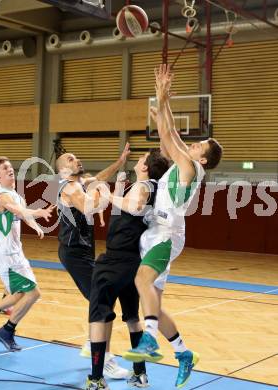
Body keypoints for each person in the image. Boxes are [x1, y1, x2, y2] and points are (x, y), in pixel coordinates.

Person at [123, 65, 223, 388]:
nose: (193, 146)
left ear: (203, 159)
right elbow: (167, 139)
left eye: (199, 146)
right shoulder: (182, 164)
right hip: (158, 232)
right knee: (152, 302)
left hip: (166, 234)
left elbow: (170, 137)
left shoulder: (192, 167)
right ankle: (183, 354)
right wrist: (162, 106)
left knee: (141, 280)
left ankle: (149, 340)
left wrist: (163, 97)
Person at [86, 150, 170, 390]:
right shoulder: (156, 188)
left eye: (143, 158)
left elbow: (135, 206)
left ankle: (95, 379)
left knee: (98, 318)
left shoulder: (143, 185)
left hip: (115, 261)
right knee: (133, 318)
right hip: (135, 263)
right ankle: (140, 375)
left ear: (146, 167)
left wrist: (109, 194)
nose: (139, 160)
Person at [56, 145, 130, 380]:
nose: (76, 159)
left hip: (85, 251)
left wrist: (119, 163)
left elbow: (98, 178)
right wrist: (105, 193)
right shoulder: (69, 187)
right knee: (103, 300)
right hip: (74, 252)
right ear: (62, 171)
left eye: (76, 156)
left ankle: (92, 341)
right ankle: (105, 358)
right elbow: (89, 205)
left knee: (100, 298)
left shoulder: (80, 183)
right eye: (70, 159)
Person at [0, 156, 54, 351]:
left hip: (16, 253)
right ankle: (7, 330)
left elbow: (22, 213)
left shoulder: (17, 195)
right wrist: (38, 212)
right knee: (33, 293)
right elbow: (16, 210)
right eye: (5, 168)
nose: (10, 169)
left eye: (11, 166)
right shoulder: (1, 196)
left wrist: (35, 224)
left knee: (20, 294)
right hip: (6, 255)